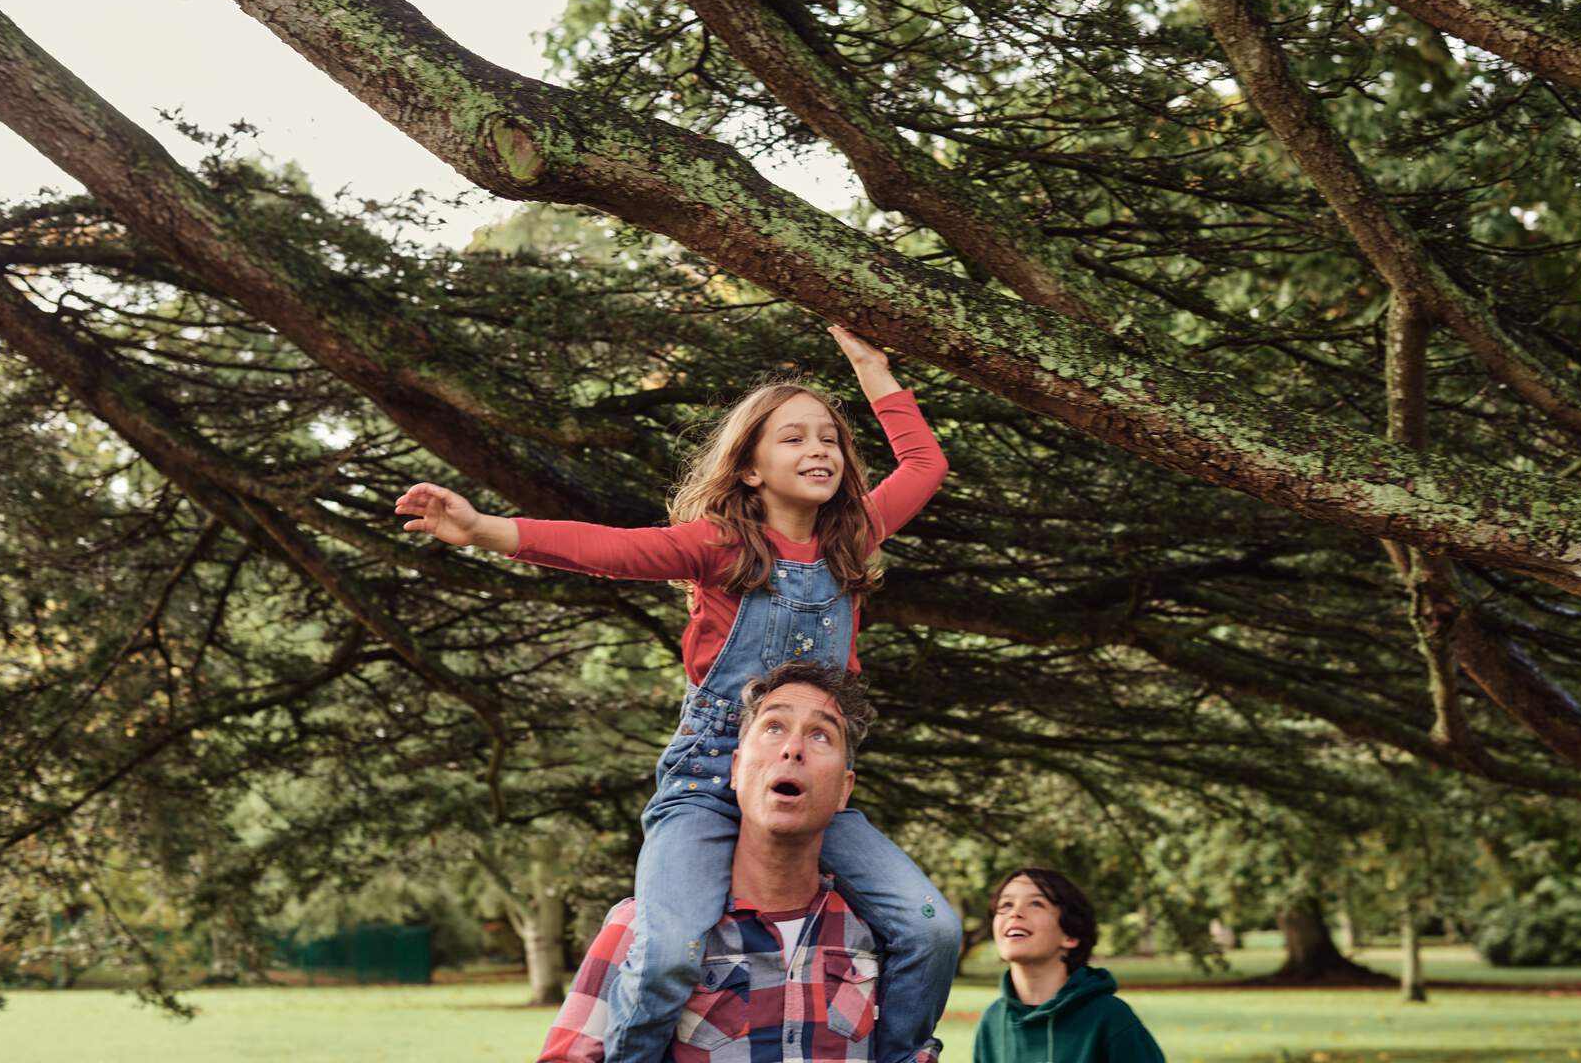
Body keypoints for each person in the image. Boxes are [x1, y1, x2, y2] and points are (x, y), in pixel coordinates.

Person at [394, 326, 956, 1063]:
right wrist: (483, 531)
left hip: (808, 785)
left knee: (932, 930)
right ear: (750, 469)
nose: (820, 449)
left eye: (831, 439)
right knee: (665, 954)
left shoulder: (852, 544)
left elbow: (924, 462)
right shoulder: (717, 547)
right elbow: (604, 548)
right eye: (792, 438)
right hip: (704, 781)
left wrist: (872, 368)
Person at [537, 662, 920, 1062]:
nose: (793, 749)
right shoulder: (643, 928)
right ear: (735, 769)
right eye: (773, 727)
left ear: (844, 789)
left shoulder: (878, 935)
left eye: (821, 735)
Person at [974, 868, 1165, 1063]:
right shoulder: (993, 1021)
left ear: (1070, 935)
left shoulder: (1110, 1018)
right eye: (1005, 905)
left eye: (1036, 903)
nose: (1015, 913)